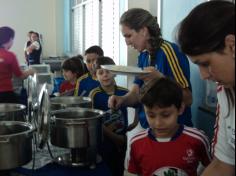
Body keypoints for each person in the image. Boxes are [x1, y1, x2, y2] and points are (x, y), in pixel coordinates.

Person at [108, 8, 193, 129]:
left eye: (128, 36)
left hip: (174, 132)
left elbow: (188, 99)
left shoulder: (169, 51)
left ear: (143, 30)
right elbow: (136, 93)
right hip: (151, 129)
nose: (127, 43)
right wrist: (122, 100)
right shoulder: (143, 56)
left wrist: (160, 79)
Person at [177, 1, 235, 176]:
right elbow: (223, 165)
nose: (203, 76)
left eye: (205, 63)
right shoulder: (226, 91)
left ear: (232, 45)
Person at [128, 77, 211, 176]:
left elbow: (212, 167)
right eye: (151, 115)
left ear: (180, 109)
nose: (158, 123)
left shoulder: (198, 139)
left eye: (166, 115)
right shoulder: (136, 143)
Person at [90, 56, 137, 176]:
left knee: (118, 168)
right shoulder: (94, 94)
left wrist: (133, 124)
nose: (105, 75)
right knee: (104, 168)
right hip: (102, 141)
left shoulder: (124, 92)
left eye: (108, 71)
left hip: (121, 140)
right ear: (95, 76)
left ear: (115, 73)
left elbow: (138, 104)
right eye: (101, 72)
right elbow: (93, 120)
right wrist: (114, 137)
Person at [0, 26, 35, 103]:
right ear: (10, 39)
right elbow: (20, 75)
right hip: (6, 93)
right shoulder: (10, 55)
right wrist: (31, 71)